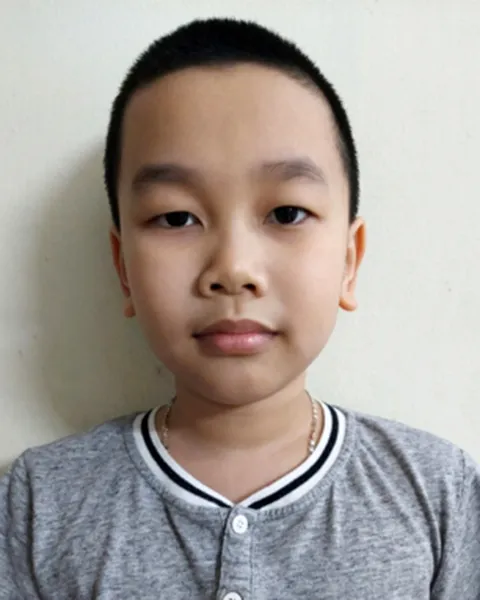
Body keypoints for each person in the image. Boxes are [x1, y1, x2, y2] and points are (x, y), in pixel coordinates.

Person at [1, 17, 479, 600]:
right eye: (176, 217)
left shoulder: (439, 494)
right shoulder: (40, 503)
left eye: (286, 214)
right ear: (124, 268)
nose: (233, 268)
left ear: (348, 261)